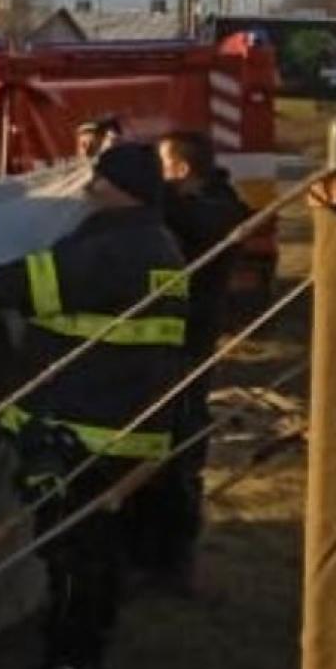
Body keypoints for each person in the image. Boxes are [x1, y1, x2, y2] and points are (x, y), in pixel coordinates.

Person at [0, 141, 188, 669]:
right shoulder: (158, 244)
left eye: (100, 179)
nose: (88, 188)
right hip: (126, 426)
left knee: (75, 553)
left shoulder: (112, 249)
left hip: (85, 430)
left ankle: (71, 667)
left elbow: (23, 284)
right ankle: (80, 655)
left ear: (124, 186)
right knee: (93, 548)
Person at [143, 129, 251, 593]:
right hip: (167, 346)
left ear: (182, 170)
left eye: (162, 167)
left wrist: (147, 188)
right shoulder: (198, 205)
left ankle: (173, 564)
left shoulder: (216, 211)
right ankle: (150, 555)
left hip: (188, 348)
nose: (158, 176)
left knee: (181, 452)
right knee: (154, 451)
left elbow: (191, 221)